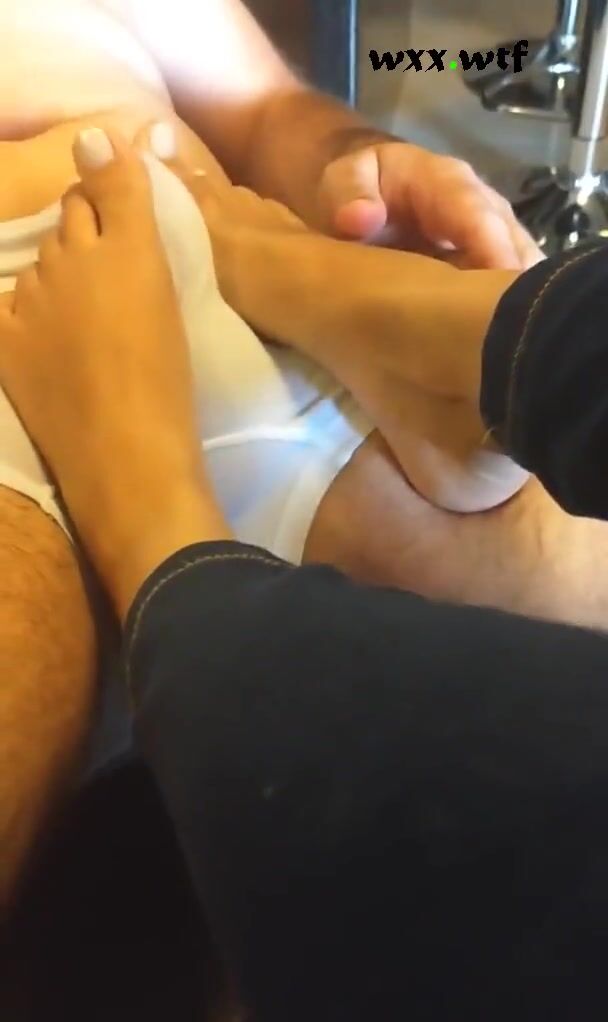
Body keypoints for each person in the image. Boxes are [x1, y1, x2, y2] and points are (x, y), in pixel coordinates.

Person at [2, 136, 608, 1021]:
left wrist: (334, 139)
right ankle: (470, 330)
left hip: (106, 327)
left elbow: (265, 107)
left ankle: (156, 513)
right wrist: (360, 165)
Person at [0, 0, 546, 908]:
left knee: (570, 572)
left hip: (228, 280)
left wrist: (359, 163)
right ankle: (440, 326)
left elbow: (265, 109)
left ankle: (344, 298)